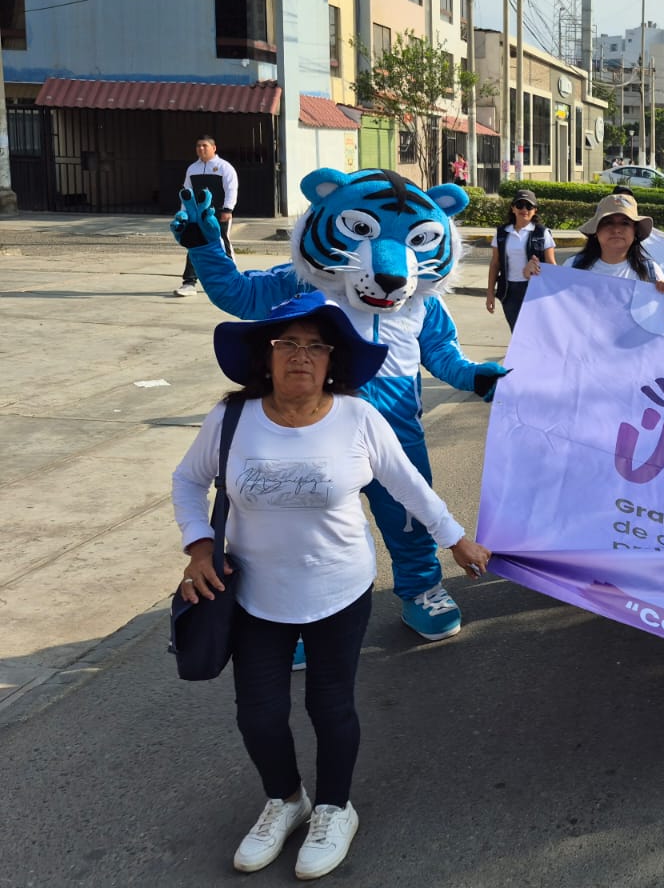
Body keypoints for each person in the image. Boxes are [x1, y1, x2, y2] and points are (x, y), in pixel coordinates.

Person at [172, 292, 492, 878]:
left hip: (338, 591)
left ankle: (334, 808)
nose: (301, 356)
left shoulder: (359, 418)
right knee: (258, 715)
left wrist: (456, 537)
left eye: (315, 346)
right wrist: (198, 546)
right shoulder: (232, 419)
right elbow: (188, 481)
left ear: (332, 361)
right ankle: (286, 800)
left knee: (330, 705)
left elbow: (409, 486)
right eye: (287, 344)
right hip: (254, 596)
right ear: (265, 357)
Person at [169, 167, 505, 642]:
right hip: (310, 425)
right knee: (300, 523)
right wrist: (206, 246)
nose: (391, 267)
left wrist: (473, 375)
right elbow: (240, 294)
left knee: (407, 515)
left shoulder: (422, 302)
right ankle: (295, 613)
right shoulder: (302, 283)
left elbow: (442, 354)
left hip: (395, 429)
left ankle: (420, 589)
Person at [174, 135, 238, 297]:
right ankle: (189, 283)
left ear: (214, 148)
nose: (201, 149)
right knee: (194, 246)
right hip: (196, 216)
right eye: (198, 146)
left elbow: (231, 189)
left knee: (222, 243)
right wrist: (184, 213)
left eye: (204, 146)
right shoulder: (192, 169)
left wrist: (228, 209)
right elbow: (186, 192)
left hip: (218, 213)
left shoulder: (224, 167)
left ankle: (233, 279)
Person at [485, 190, 555, 330]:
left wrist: (536, 267)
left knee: (534, 331)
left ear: (535, 210)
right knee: (516, 330)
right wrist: (490, 293)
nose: (524, 210)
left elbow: (552, 265)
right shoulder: (502, 233)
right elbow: (495, 264)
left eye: (529, 206)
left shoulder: (542, 233)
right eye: (520, 205)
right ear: (513, 208)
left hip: (534, 290)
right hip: (509, 290)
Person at [573, 194, 664, 290]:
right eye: (608, 222)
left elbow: (661, 307)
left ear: (635, 231)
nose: (616, 229)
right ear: (595, 230)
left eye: (625, 223)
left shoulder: (650, 272)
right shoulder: (572, 267)